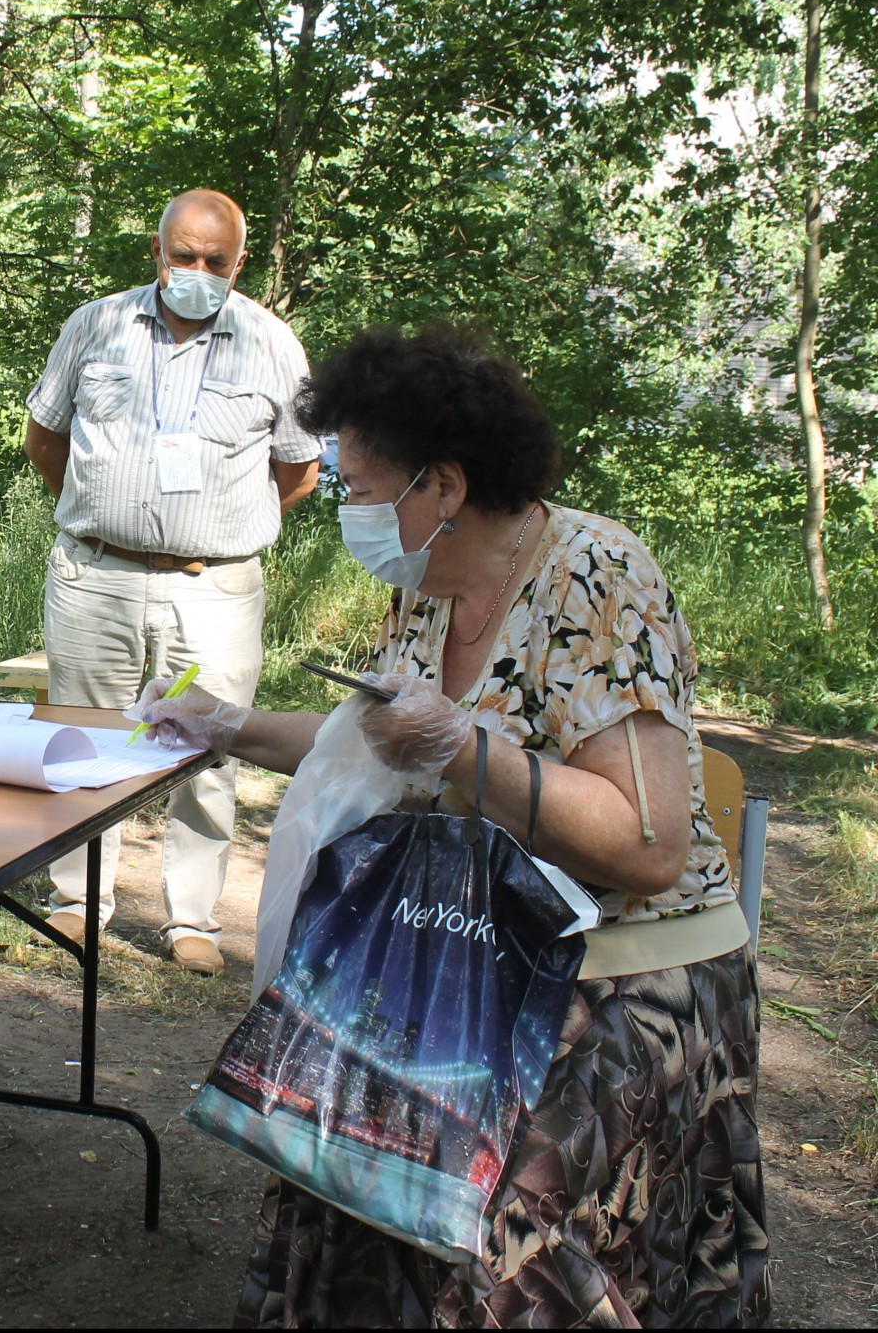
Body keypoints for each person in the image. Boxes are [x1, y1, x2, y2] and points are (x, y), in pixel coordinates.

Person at [135, 324, 770, 1326]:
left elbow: (645, 848)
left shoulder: (591, 572)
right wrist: (223, 726)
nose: (342, 505)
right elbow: (378, 737)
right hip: (463, 948)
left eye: (355, 483)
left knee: (493, 1231)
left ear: (441, 485)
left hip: (615, 979)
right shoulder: (421, 590)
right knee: (332, 1146)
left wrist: (464, 752)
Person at [22, 189, 320, 973]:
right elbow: (43, 438)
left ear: (238, 263)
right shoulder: (96, 324)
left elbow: (299, 470)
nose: (197, 272)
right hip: (96, 575)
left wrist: (211, 537)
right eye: (182, 256)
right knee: (83, 737)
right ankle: (76, 903)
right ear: (156, 252)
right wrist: (103, 515)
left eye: (214, 261)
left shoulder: (272, 343)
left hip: (214, 588)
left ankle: (192, 920)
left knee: (211, 750)